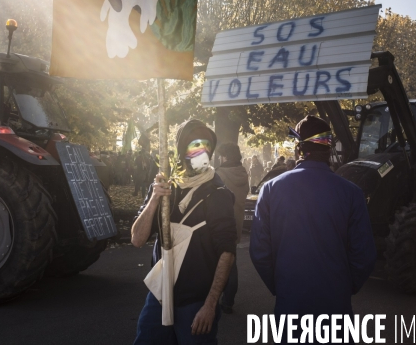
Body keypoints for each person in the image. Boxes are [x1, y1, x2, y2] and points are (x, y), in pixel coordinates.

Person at [250, 116, 377, 343]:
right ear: (329, 149)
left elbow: (260, 251)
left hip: (290, 300)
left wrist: (281, 284)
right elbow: (364, 254)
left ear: (299, 149)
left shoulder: (270, 190)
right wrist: (345, 286)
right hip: (335, 302)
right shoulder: (352, 193)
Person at [131, 119, 237, 345]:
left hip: (196, 302)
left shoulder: (217, 194)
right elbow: (137, 239)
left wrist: (210, 305)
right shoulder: (165, 187)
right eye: (194, 146)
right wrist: (154, 200)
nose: (201, 153)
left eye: (206, 146)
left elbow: (226, 253)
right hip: (159, 297)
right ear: (181, 151)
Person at [215, 142, 250, 314]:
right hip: (237, 222)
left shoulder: (220, 174)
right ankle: (228, 300)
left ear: (226, 156)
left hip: (220, 222)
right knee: (231, 260)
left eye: (221, 155)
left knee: (219, 262)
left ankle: (217, 298)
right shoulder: (243, 173)